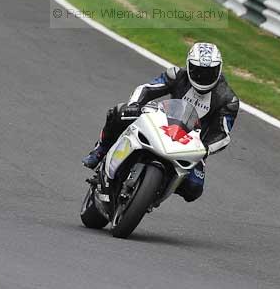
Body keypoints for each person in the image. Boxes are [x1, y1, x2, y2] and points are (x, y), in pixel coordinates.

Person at [82, 42, 239, 202]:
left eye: (209, 72)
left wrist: (205, 148)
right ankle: (101, 149)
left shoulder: (228, 100)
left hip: (192, 144)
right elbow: (147, 88)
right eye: (197, 71)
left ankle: (152, 193)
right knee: (119, 112)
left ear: (219, 70)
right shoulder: (177, 75)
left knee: (193, 189)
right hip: (163, 122)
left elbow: (223, 134)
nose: (202, 76)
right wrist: (134, 105)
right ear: (189, 66)